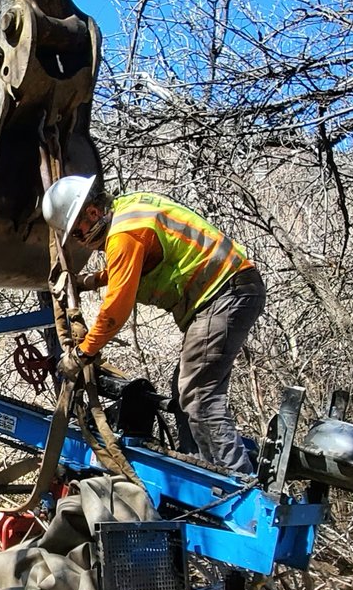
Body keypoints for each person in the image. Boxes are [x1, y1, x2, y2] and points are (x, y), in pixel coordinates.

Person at [41, 174, 265, 475]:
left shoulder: (124, 235)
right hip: (227, 291)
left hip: (224, 293)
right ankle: (202, 471)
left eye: (78, 232)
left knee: (198, 394)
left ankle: (236, 484)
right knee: (186, 391)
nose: (81, 240)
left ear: (93, 213)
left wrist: (83, 353)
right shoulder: (128, 210)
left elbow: (115, 310)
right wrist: (89, 281)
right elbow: (136, 265)